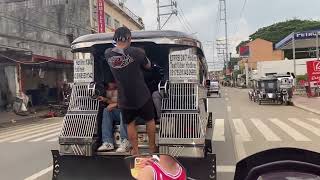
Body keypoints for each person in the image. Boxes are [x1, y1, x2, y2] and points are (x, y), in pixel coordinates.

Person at [105, 27, 156, 155]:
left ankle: (136, 151)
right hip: (142, 95)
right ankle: (152, 148)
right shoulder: (137, 52)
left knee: (130, 124)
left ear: (115, 39)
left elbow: (115, 52)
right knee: (150, 120)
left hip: (125, 98)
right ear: (129, 38)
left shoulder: (108, 54)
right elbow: (148, 66)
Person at [97, 82, 130, 153]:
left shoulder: (129, 85)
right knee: (107, 110)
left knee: (123, 110)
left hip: (136, 113)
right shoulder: (116, 89)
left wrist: (116, 105)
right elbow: (114, 103)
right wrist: (105, 100)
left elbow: (130, 102)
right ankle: (108, 142)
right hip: (122, 112)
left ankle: (125, 141)